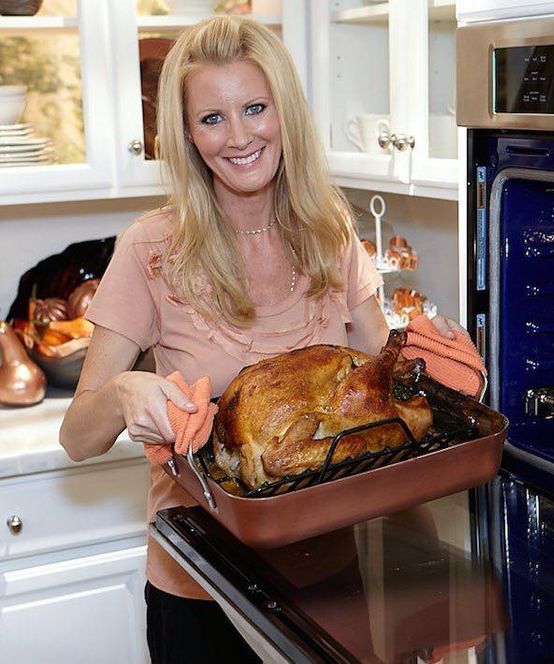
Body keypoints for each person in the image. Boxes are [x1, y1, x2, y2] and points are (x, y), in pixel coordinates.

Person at [59, 15, 468, 663]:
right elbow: (77, 437)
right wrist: (123, 392)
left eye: (256, 107)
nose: (240, 136)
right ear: (188, 135)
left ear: (286, 113)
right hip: (202, 590)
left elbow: (387, 403)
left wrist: (436, 361)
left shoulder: (328, 231)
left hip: (330, 580)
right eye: (212, 118)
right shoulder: (152, 249)